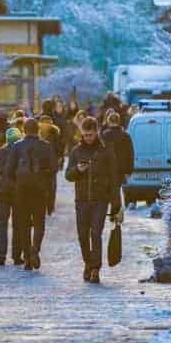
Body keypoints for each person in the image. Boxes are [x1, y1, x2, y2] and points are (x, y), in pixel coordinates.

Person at [65, 117, 122, 284]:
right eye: (85, 135)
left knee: (96, 233)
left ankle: (96, 268)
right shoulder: (76, 151)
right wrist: (78, 169)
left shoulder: (106, 150)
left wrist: (116, 202)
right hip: (81, 199)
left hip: (100, 199)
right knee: (82, 235)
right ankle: (88, 263)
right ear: (81, 133)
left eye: (90, 134)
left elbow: (114, 177)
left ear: (96, 132)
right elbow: (68, 175)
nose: (88, 138)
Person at [6, 118, 58, 271]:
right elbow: (54, 167)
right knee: (39, 222)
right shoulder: (46, 146)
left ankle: (28, 256)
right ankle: (35, 247)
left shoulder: (17, 146)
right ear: (38, 130)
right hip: (40, 189)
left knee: (23, 224)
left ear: (24, 130)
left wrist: (16, 180)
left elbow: (9, 170)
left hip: (21, 189)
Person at [0, 126, 23, 266]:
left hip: (1, 192)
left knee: (2, 224)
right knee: (18, 224)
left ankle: (1, 255)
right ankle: (17, 255)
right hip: (18, 192)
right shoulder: (22, 152)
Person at [37, 112, 64, 215]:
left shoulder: (41, 135)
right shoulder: (55, 134)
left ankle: (47, 206)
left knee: (47, 185)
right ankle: (49, 207)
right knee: (51, 186)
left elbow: (59, 149)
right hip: (51, 164)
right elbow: (60, 149)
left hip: (44, 164)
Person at [100, 109, 135, 186]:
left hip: (107, 169)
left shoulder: (104, 135)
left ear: (109, 121)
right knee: (117, 191)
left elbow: (100, 152)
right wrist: (129, 170)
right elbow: (130, 153)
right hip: (121, 169)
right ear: (118, 121)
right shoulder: (125, 136)